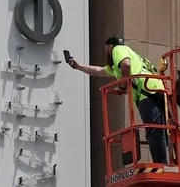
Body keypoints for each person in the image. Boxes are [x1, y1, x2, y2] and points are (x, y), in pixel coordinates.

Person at [67, 36, 169, 164]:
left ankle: (161, 164)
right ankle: (179, 160)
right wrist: (78, 66)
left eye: (106, 50)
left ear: (110, 46)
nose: (106, 53)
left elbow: (126, 65)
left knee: (153, 131)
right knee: (167, 131)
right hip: (154, 90)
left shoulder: (118, 49)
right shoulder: (117, 66)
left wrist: (122, 86)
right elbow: (98, 71)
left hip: (147, 92)